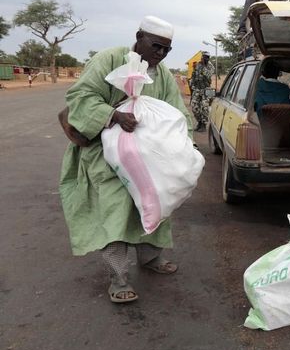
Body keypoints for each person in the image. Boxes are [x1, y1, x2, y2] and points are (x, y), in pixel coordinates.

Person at [59, 16, 193, 304]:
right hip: (107, 156)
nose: (160, 54)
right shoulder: (108, 59)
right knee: (116, 212)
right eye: (156, 46)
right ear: (139, 37)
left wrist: (184, 144)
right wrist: (114, 116)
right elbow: (80, 97)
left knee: (154, 203)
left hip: (149, 159)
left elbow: (177, 112)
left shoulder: (163, 75)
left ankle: (150, 257)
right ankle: (118, 277)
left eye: (166, 50)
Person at [190, 51, 214, 132]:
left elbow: (208, 75)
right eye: (204, 56)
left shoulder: (210, 66)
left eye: (206, 57)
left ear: (208, 58)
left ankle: (204, 124)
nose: (205, 58)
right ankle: (199, 122)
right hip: (197, 88)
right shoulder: (198, 65)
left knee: (204, 107)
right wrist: (192, 85)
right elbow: (193, 75)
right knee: (194, 107)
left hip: (206, 89)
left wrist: (203, 66)